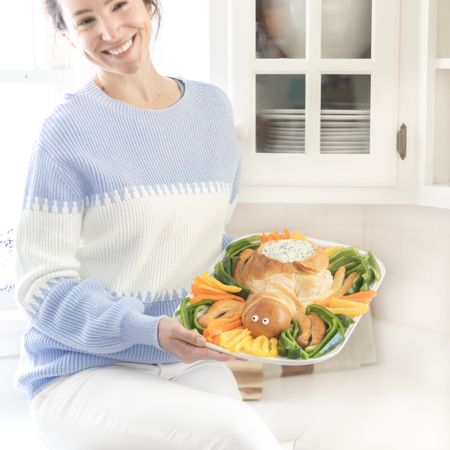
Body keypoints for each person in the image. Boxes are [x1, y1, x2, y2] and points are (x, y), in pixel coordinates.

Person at [14, 1, 283, 448]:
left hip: (189, 356)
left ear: (147, 5)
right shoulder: (65, 132)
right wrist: (147, 330)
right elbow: (42, 288)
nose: (111, 30)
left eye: (120, 5)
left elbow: (203, 244)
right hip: (81, 370)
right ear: (65, 34)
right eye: (85, 20)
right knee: (237, 433)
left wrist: (273, 275)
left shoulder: (212, 111)